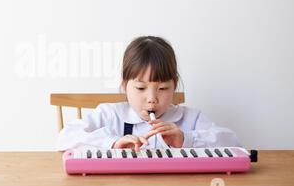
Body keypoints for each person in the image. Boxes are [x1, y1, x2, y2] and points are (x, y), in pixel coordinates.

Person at [56, 36, 240, 151]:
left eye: (162, 89)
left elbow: (234, 143)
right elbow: (65, 137)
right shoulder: (110, 114)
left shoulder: (191, 118)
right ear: (124, 86)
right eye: (141, 88)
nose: (152, 98)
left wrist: (186, 139)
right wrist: (112, 144)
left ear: (174, 86)